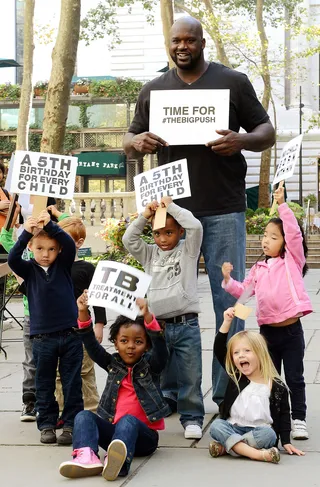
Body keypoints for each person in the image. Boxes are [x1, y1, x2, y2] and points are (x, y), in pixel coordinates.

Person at [123, 16, 275, 406]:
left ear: (203, 43)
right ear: (169, 44)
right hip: (171, 216)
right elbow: (128, 139)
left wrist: (242, 140)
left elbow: (266, 131)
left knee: (231, 305)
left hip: (223, 208)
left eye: (190, 40)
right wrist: (137, 141)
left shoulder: (233, 82)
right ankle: (175, 393)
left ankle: (231, 392)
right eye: (176, 41)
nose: (182, 46)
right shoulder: (154, 90)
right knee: (169, 305)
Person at [221, 186, 312, 440]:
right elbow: (244, 291)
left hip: (292, 331)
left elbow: (294, 233)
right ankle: (271, 417)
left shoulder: (292, 260)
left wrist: (282, 205)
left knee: (295, 377)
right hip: (267, 333)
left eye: (273, 236)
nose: (266, 239)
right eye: (265, 235)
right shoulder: (258, 268)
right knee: (270, 378)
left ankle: (299, 419)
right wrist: (228, 280)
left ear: (285, 241)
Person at [59, 293, 170, 481]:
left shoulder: (151, 367)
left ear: (146, 346)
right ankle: (87, 456)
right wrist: (83, 312)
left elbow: (161, 351)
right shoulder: (113, 365)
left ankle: (119, 463)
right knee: (83, 415)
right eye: (124, 341)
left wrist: (148, 318)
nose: (131, 346)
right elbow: (91, 345)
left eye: (138, 341)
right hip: (114, 437)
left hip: (145, 439)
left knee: (128, 421)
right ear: (116, 344)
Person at [122, 196, 204, 439]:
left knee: (190, 373)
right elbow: (129, 239)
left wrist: (172, 208)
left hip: (185, 323)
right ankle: (159, 407)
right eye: (157, 234)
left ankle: (192, 418)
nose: (163, 239)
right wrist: (145, 216)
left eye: (169, 233)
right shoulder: (149, 254)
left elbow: (196, 226)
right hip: (156, 327)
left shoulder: (188, 250)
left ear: (179, 231)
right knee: (154, 370)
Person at [8, 209, 84, 444]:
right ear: (31, 248)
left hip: (70, 334)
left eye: (51, 249)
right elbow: (12, 258)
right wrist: (26, 233)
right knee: (44, 382)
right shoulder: (28, 270)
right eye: (40, 249)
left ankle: (71, 424)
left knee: (72, 382)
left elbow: (69, 246)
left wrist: (50, 226)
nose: (45, 254)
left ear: (58, 250)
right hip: (42, 338)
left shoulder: (63, 264)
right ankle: (47, 424)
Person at [209, 307, 305, 462]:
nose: (241, 355)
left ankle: (229, 447)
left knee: (270, 436)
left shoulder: (277, 386)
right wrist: (226, 322)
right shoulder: (236, 376)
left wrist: (286, 441)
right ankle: (257, 454)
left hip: (259, 431)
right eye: (236, 353)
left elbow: (284, 415)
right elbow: (219, 348)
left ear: (261, 355)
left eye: (247, 351)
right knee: (216, 426)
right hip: (233, 426)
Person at [52, 211, 106, 416]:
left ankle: (91, 410)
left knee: (85, 370)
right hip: (57, 330)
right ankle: (62, 410)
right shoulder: (53, 268)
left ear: (79, 242)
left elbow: (99, 299)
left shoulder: (86, 268)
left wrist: (99, 324)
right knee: (59, 374)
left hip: (81, 330)